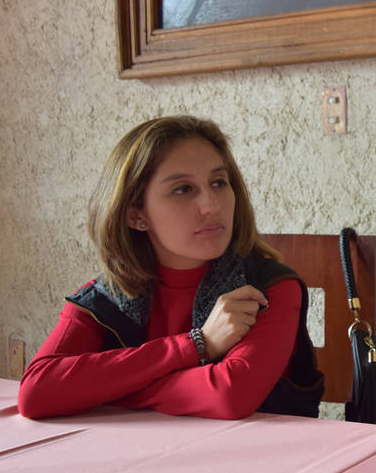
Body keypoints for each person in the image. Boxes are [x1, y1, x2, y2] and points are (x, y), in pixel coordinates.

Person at [18, 116, 323, 420]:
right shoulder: (104, 297)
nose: (212, 205)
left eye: (219, 182)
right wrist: (197, 344)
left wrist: (104, 389)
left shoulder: (268, 287)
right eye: (183, 189)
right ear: (136, 214)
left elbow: (229, 395)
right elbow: (36, 392)